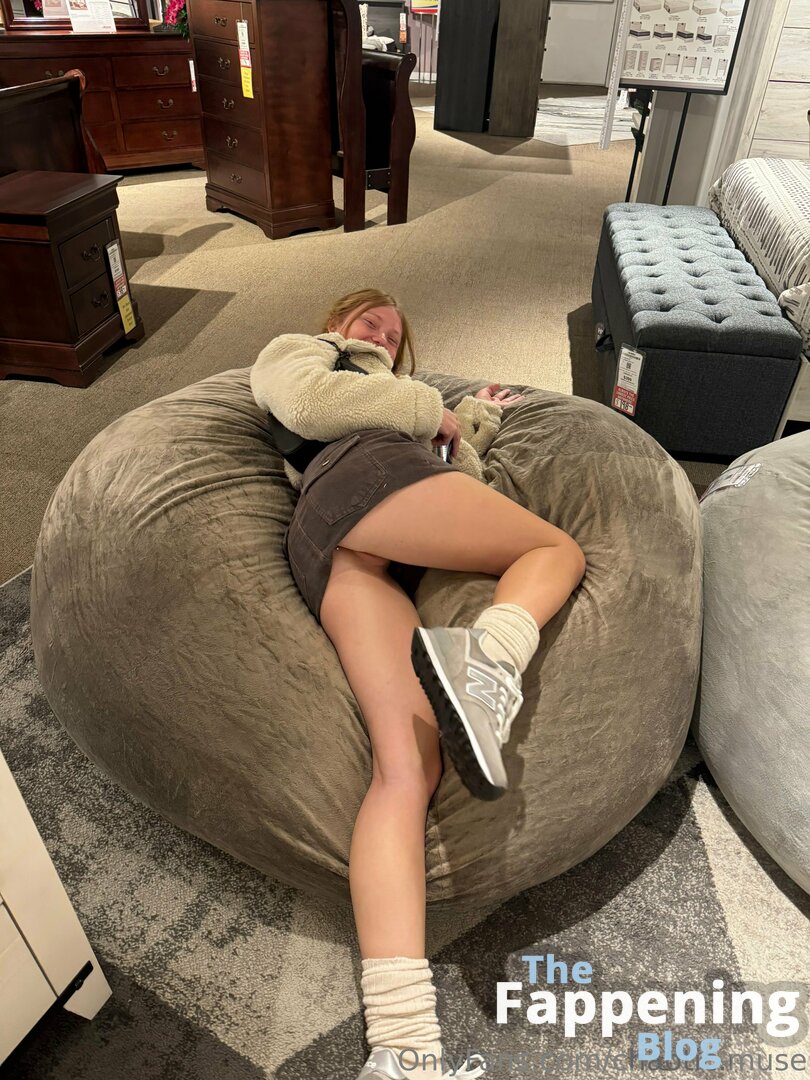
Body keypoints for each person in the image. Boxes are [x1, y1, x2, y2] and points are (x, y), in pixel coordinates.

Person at [250, 289, 586, 1080]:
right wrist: (427, 407)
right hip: (364, 484)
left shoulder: (407, 402)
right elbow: (308, 403)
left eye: (393, 333)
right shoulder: (304, 350)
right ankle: (490, 662)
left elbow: (457, 469)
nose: (381, 332)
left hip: (343, 551)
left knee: (406, 771)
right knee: (554, 552)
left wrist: (472, 421)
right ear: (338, 322)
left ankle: (403, 1050)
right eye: (371, 320)